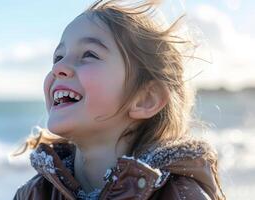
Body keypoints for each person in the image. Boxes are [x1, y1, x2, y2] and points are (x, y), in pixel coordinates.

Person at [13, 0, 226, 199]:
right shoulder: (35, 193)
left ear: (145, 99)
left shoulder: (180, 194)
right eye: (58, 57)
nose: (58, 68)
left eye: (89, 54)